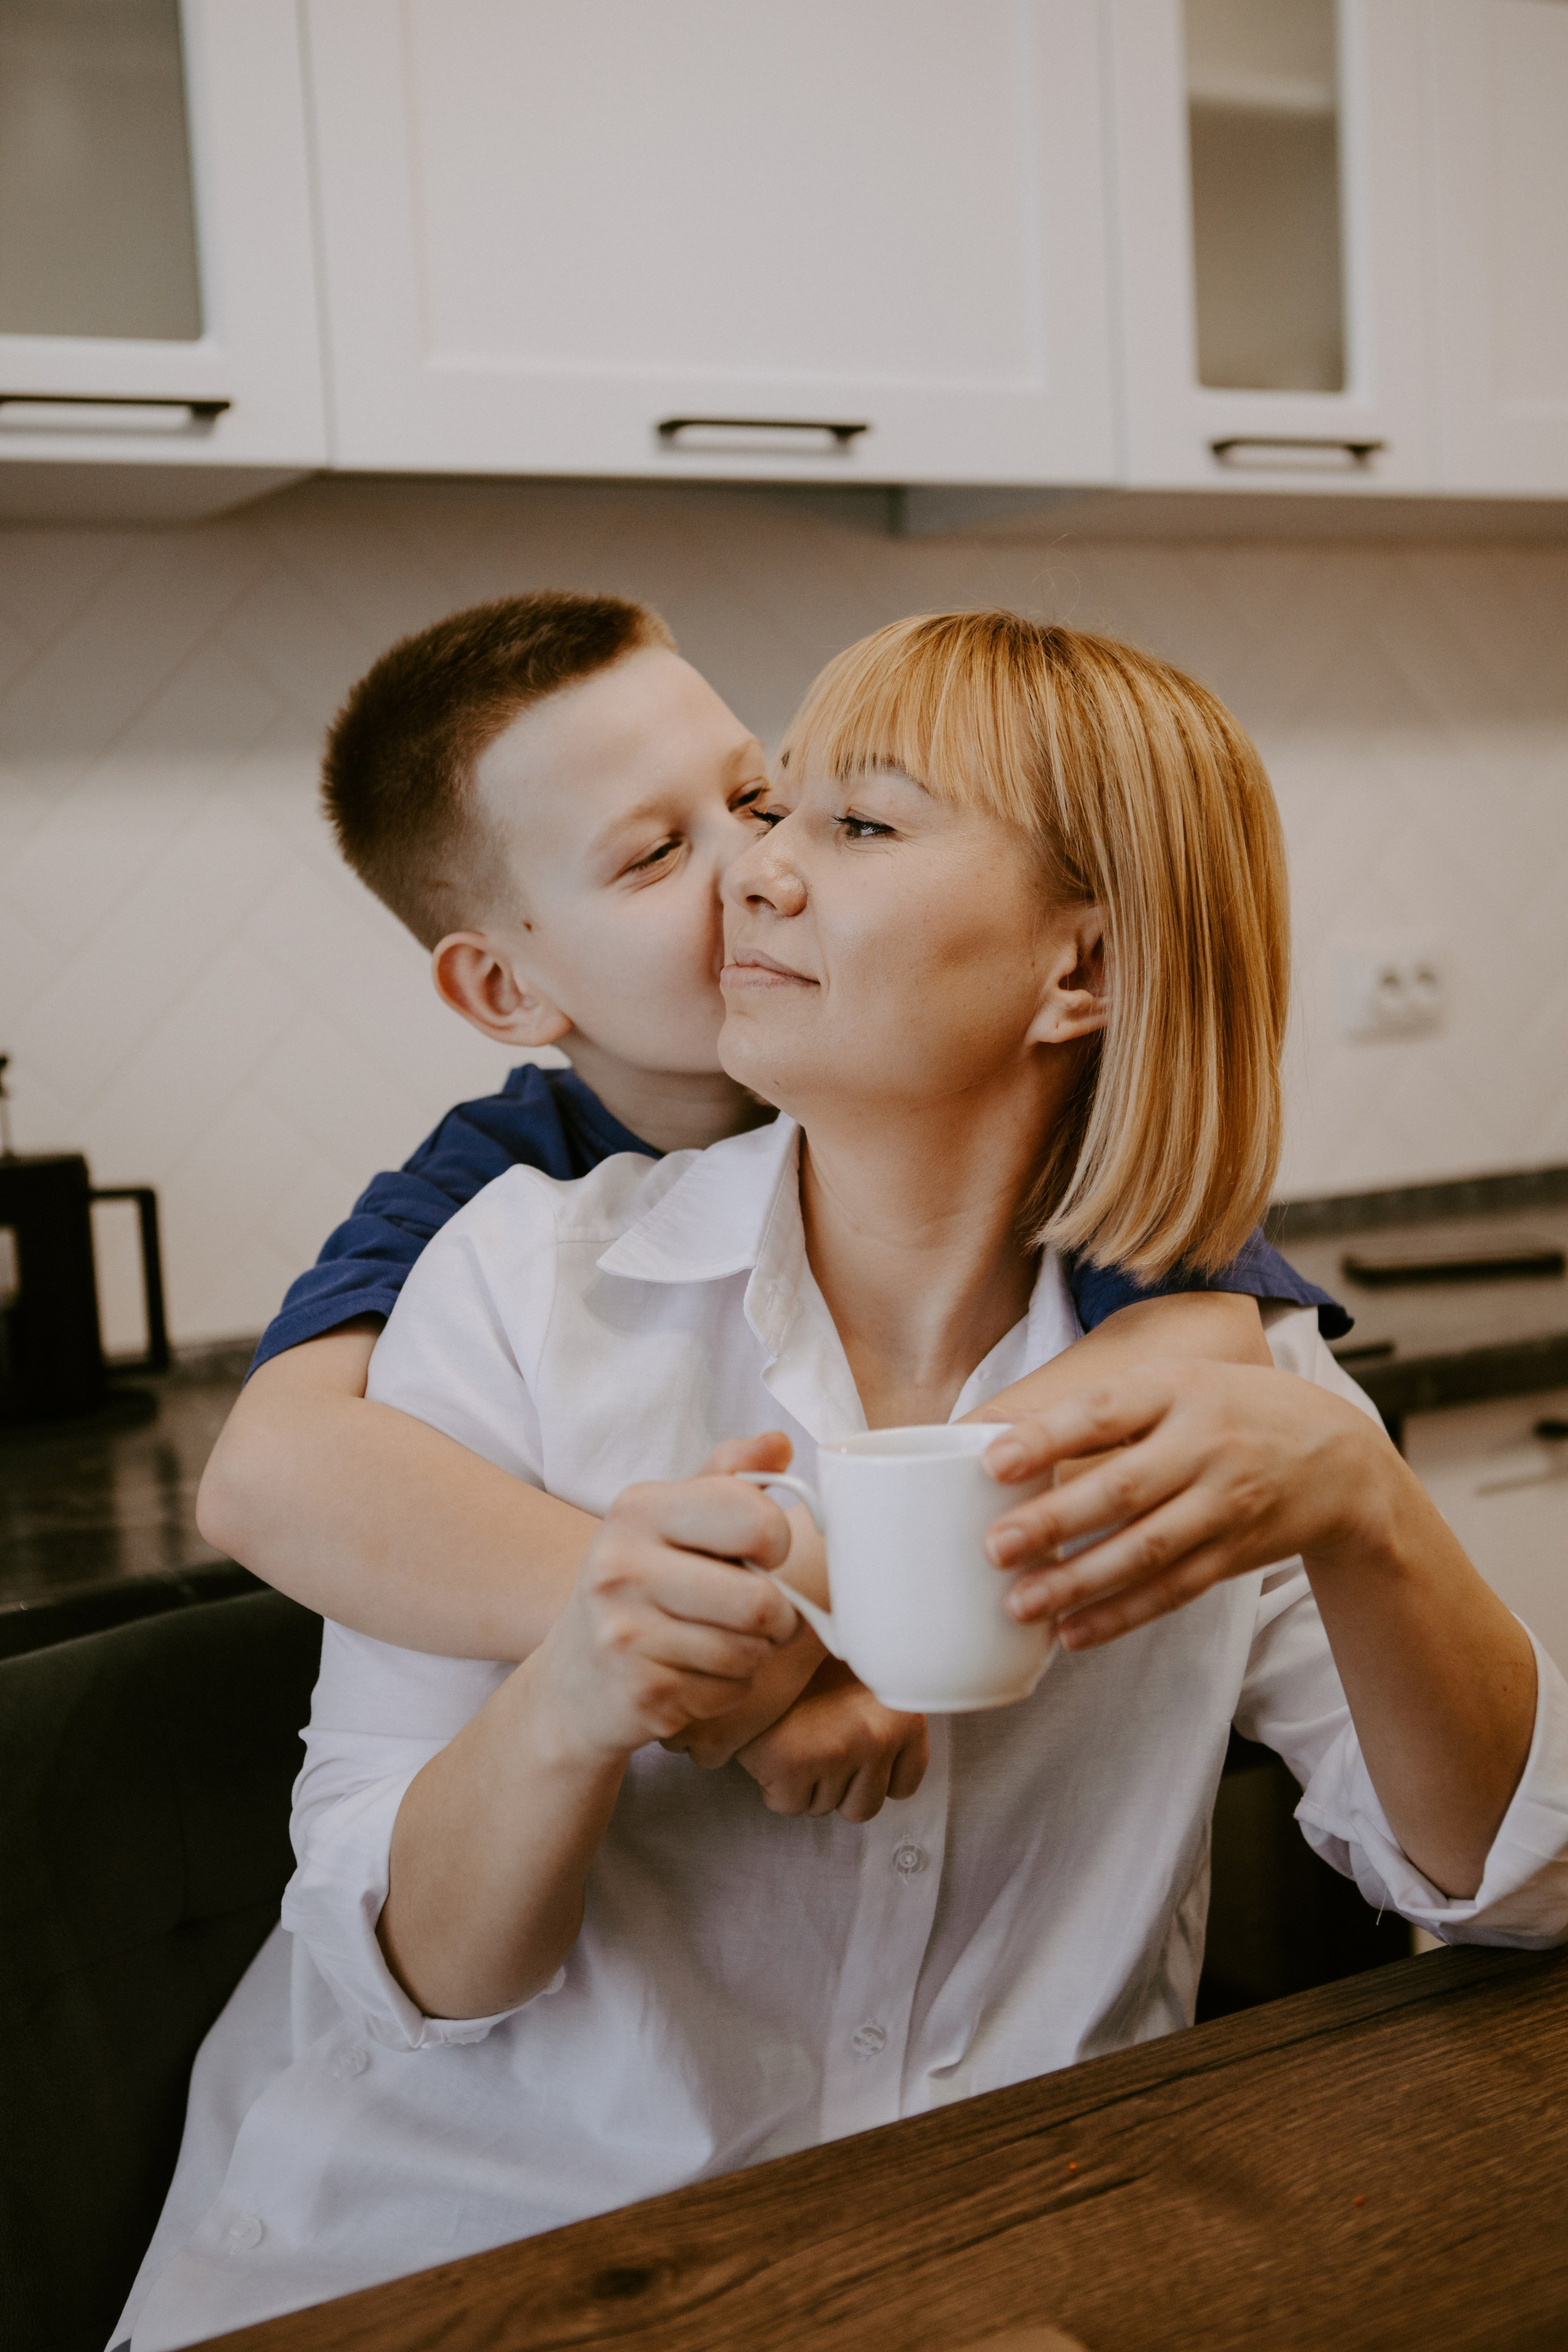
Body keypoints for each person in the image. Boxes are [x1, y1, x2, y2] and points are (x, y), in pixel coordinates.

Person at [119, 614, 1567, 2351]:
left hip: (997, 2252)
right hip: (450, 2265)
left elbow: (1520, 1888)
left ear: (1079, 975)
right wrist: (585, 1681)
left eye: (836, 821)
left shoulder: (1220, 1356)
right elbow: (408, 1972)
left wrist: (1373, 1508)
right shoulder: (509, 1268)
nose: (750, 874)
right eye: (716, 833)